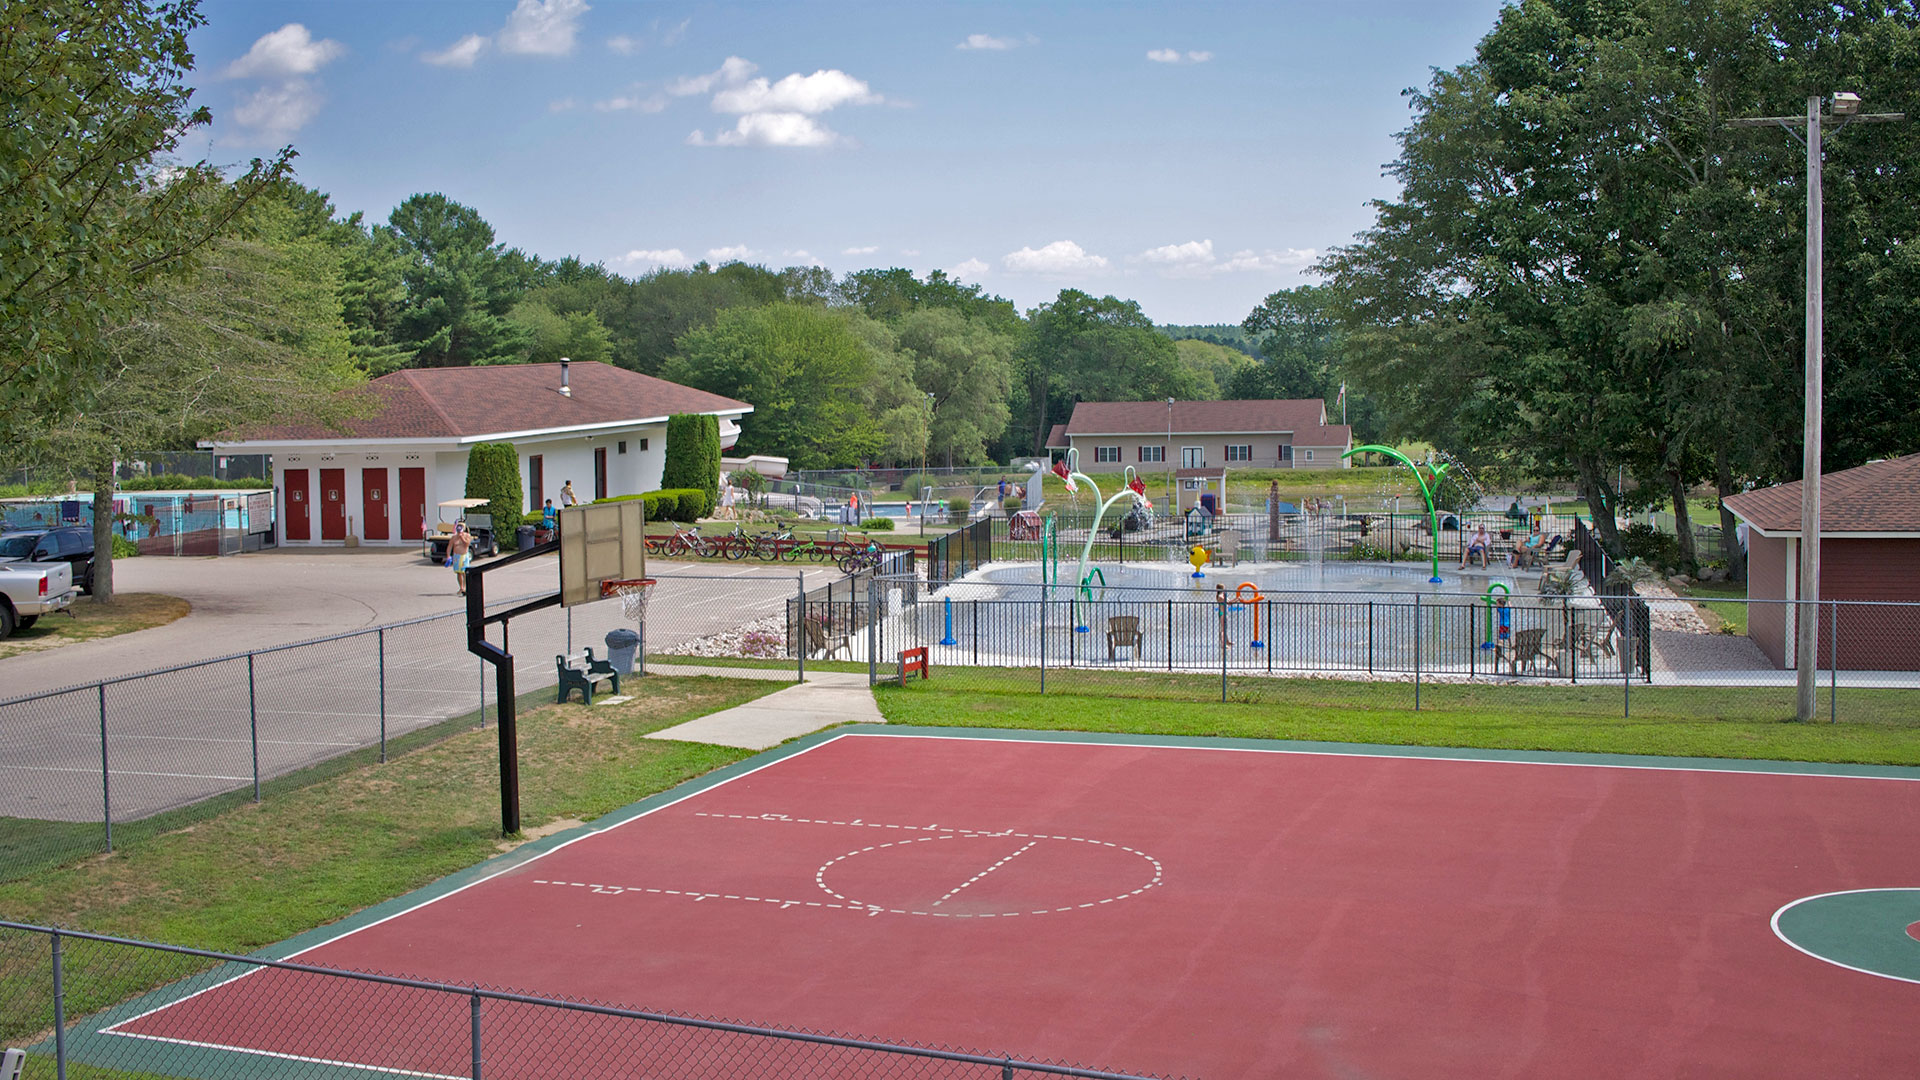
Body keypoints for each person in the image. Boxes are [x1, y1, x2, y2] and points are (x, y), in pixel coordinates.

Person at [449, 521, 473, 595]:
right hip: (456, 556)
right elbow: (450, 547)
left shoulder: (467, 536)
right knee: (458, 573)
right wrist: (448, 556)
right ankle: (461, 588)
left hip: (464, 556)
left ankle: (466, 588)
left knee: (464, 573)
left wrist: (462, 537)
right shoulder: (454, 537)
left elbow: (467, 544)